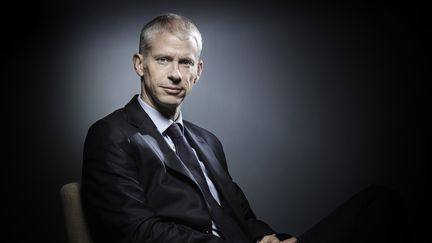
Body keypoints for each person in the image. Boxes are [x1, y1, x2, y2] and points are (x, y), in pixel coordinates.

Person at [81, 13, 409, 243]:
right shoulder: (111, 135)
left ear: (199, 71)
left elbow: (241, 216)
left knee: (377, 203)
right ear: (140, 64)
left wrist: (265, 238)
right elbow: (137, 233)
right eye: (163, 59)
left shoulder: (207, 141)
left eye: (186, 62)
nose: (176, 74)